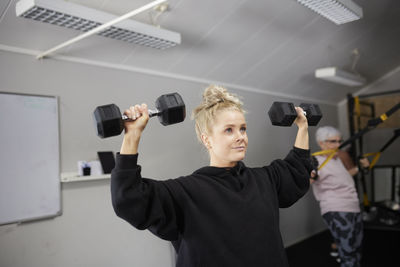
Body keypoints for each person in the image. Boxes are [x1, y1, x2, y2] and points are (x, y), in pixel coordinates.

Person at [111, 85, 315, 267]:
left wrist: (303, 126)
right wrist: (132, 135)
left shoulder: (265, 179)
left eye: (243, 129)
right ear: (206, 139)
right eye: (229, 130)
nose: (240, 137)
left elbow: (297, 167)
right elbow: (129, 199)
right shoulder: (185, 192)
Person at [311, 126, 369, 267]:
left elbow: (346, 176)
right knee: (347, 251)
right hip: (336, 208)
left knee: (356, 246)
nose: (338, 145)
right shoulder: (314, 161)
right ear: (321, 143)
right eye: (333, 141)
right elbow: (306, 181)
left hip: (352, 205)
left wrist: (363, 167)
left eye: (339, 141)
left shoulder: (337, 158)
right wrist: (309, 175)